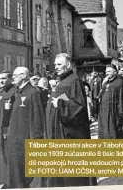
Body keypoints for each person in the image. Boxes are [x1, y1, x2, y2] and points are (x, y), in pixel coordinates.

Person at [45, 53, 97, 187]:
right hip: (58, 131)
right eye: (55, 64)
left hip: (68, 134)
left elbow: (79, 107)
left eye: (59, 64)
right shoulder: (63, 80)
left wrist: (60, 104)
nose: (56, 67)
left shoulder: (74, 81)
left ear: (68, 65)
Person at [5, 67, 45, 188]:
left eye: (15, 75)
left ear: (23, 76)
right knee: (16, 171)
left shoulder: (34, 92)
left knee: (25, 174)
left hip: (25, 138)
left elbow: (38, 116)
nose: (13, 78)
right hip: (14, 137)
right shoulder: (17, 92)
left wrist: (36, 139)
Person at [0, 71, 15, 186]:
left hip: (5, 128)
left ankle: (7, 180)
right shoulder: (1, 92)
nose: (1, 81)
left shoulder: (13, 92)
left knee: (5, 154)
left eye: (4, 78)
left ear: (10, 79)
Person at [97, 64, 123, 139]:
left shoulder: (120, 82)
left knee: (116, 133)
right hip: (104, 112)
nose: (107, 73)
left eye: (109, 71)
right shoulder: (106, 83)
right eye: (106, 71)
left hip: (115, 112)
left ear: (115, 72)